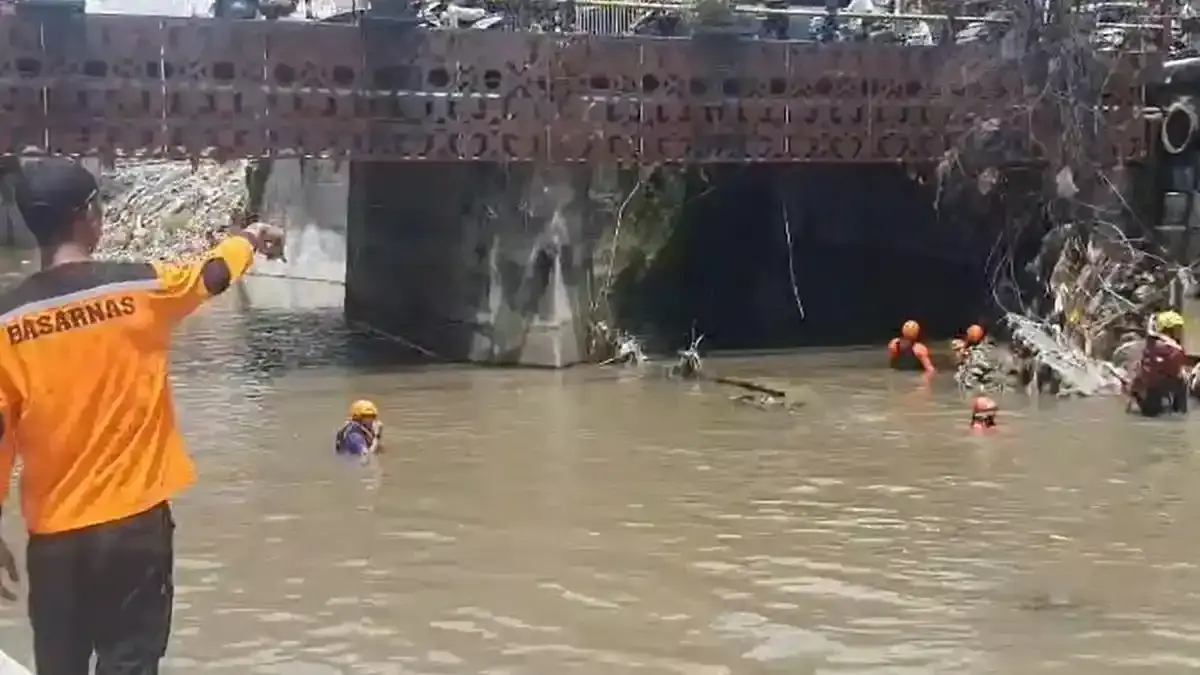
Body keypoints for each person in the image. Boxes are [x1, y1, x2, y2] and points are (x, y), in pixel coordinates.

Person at [0, 158, 284, 674]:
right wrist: (250, 238)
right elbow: (212, 274)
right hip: (134, 527)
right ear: (89, 215)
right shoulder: (138, 288)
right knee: (129, 662)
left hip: (55, 538)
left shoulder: (8, 322)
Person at [1129, 310, 1190, 417]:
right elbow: (1175, 371)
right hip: (1159, 391)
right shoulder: (1174, 349)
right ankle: (1181, 410)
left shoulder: (1151, 344)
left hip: (1147, 392)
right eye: (1178, 328)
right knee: (1183, 379)